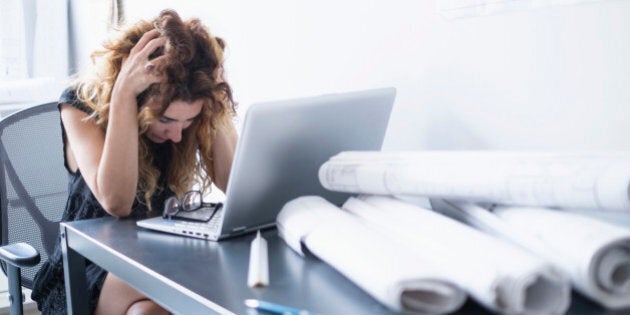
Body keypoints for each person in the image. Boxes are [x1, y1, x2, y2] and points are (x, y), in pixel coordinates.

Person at [30, 9, 238, 315]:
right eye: (166, 120)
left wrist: (214, 100)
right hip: (85, 268)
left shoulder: (182, 125)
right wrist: (124, 95)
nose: (178, 136)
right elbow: (117, 203)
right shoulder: (77, 106)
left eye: (188, 121)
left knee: (148, 312)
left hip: (155, 258)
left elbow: (232, 183)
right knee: (209, 282)